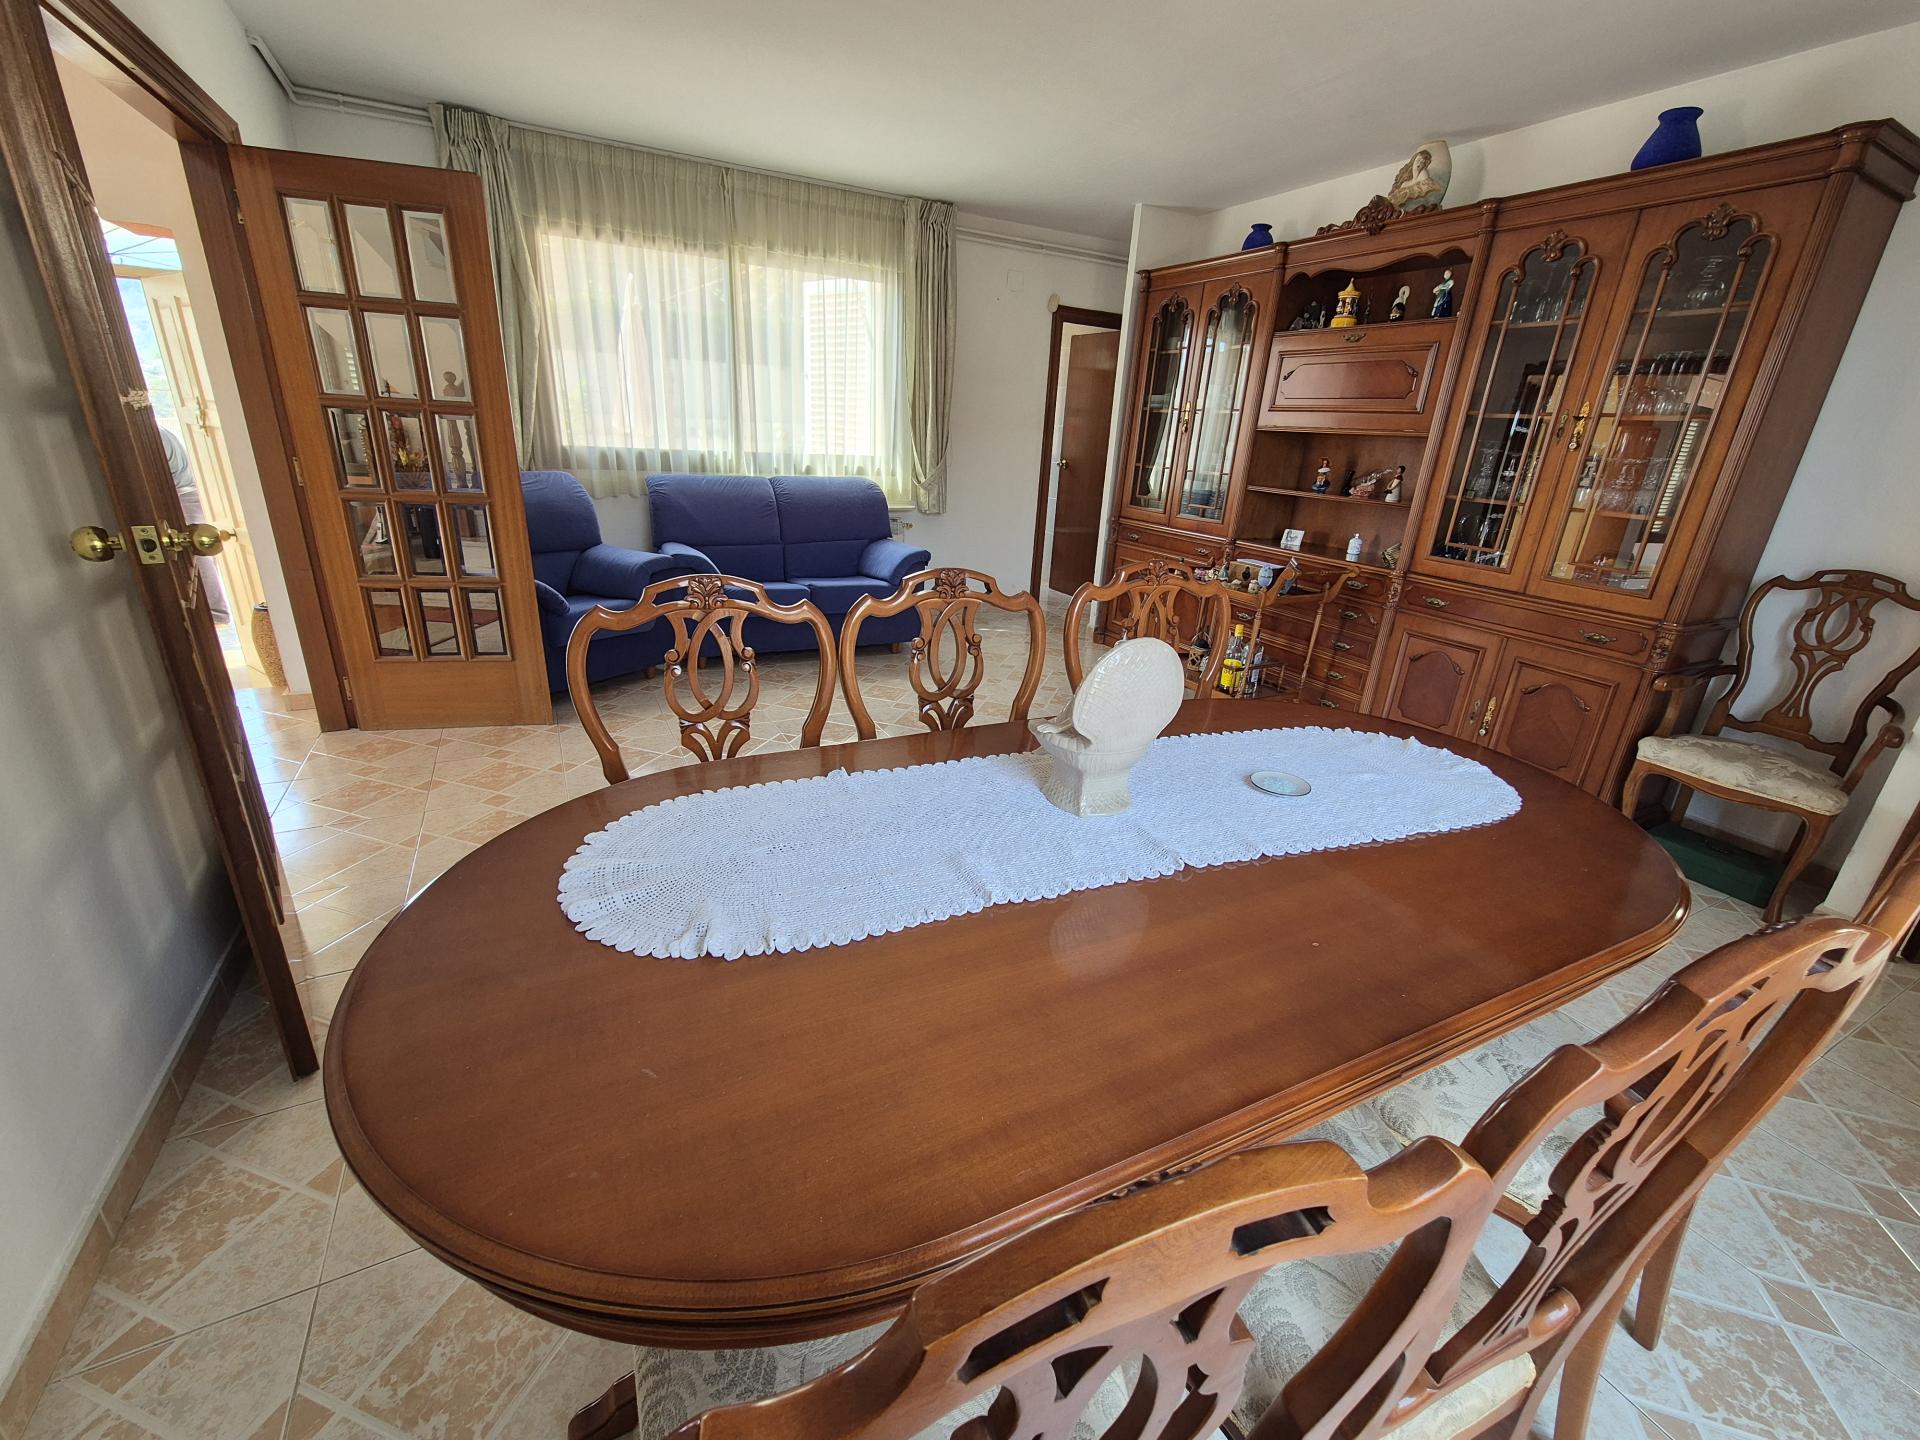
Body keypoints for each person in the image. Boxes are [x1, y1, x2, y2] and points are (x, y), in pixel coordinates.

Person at [159, 426, 229, 622]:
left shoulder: (155, 437)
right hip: (186, 493)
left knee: (196, 550)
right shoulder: (160, 432)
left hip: (183, 495)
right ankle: (215, 613)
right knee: (199, 552)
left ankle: (216, 614)